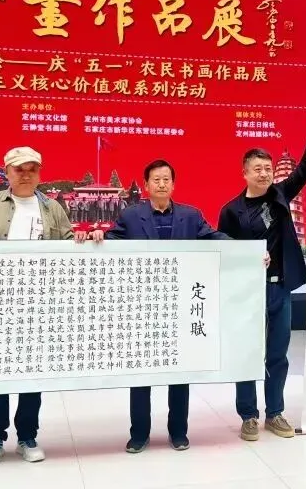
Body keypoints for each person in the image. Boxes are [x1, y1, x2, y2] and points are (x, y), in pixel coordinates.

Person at [0, 146, 87, 465]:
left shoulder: (52, 207)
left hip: (37, 303)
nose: (26, 175)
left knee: (32, 373)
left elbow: (67, 245)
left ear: (39, 173)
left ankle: (27, 435)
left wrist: (81, 240)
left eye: (32, 169)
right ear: (7, 172)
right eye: (18, 169)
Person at [88, 159, 233, 453]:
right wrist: (98, 236)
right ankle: (139, 433)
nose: (162, 184)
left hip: (180, 306)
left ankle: (178, 432)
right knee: (141, 373)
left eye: (167, 179)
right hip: (144, 307)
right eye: (156, 179)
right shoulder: (131, 216)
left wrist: (248, 250)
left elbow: (214, 237)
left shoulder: (191, 216)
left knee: (180, 372)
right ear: (146, 185)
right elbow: (112, 240)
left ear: (173, 184)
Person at [218, 142, 306, 441]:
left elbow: (304, 170)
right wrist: (248, 258)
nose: (264, 174)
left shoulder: (280, 195)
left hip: (280, 287)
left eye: (268, 169)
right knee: (247, 353)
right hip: (248, 291)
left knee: (278, 353)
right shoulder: (231, 211)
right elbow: (224, 250)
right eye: (257, 169)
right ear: (244, 173)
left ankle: (275, 412)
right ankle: (248, 415)